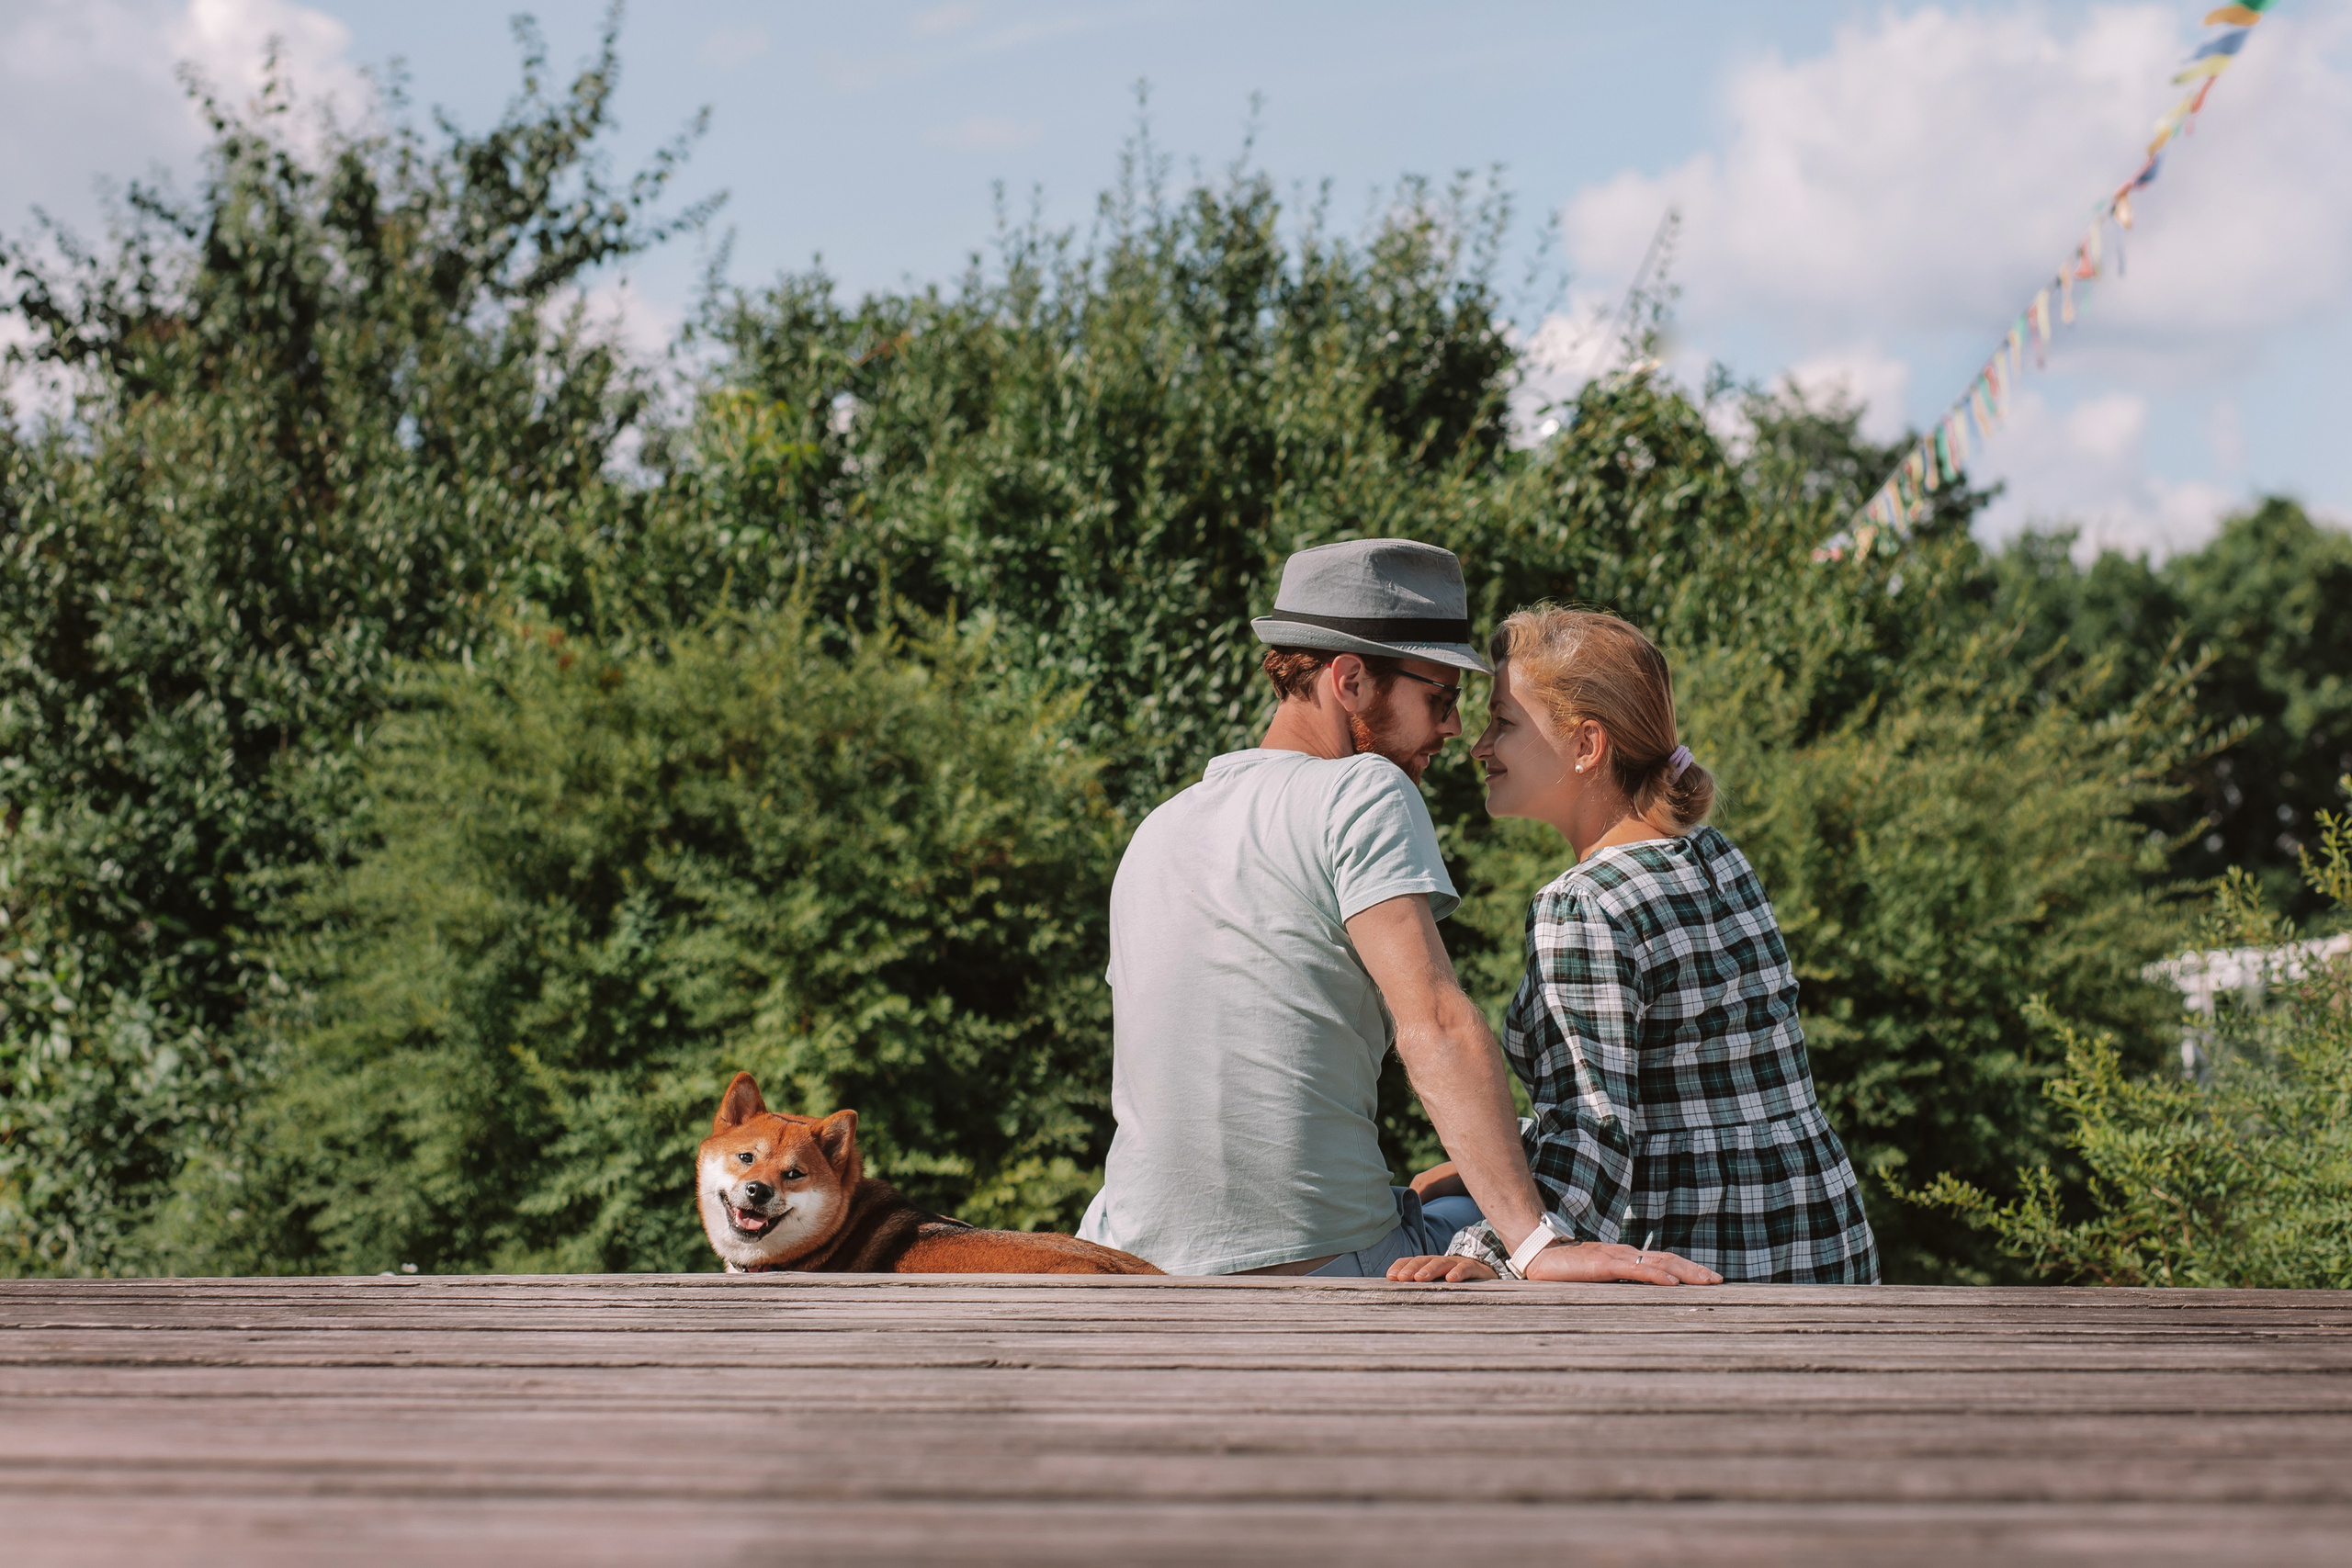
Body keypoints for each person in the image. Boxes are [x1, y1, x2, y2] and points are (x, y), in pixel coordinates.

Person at [1078, 539, 1716, 1286]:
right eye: (1439, 699)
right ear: (1348, 680)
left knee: (1436, 1187)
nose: (1453, 730)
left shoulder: (1158, 826)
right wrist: (1535, 1244)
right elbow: (1434, 1023)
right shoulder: (1362, 791)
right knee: (1538, 1210)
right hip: (1320, 1261)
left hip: (1132, 1254)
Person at [1388, 607, 1879, 1285]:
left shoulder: (1581, 903)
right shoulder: (1717, 857)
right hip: (1823, 1239)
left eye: (1503, 722)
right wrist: (1496, 1160)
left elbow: (1597, 1134)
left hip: (1700, 1262)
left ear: (1587, 744)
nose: (1479, 746)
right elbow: (1678, 1095)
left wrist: (1486, 1253)